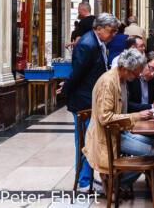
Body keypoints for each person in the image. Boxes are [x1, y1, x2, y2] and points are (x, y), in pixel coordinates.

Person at [83, 49, 154, 196]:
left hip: (120, 131)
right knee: (153, 152)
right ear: (124, 69)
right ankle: (116, 181)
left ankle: (117, 181)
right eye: (135, 74)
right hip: (107, 135)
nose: (137, 77)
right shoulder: (108, 83)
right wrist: (136, 117)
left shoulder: (122, 79)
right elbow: (105, 119)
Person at [58, 13, 119, 192]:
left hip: (91, 99)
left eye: (115, 31)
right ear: (98, 29)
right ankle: (84, 181)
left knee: (91, 140)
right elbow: (78, 72)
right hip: (84, 101)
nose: (113, 35)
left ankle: (89, 177)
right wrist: (66, 89)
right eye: (111, 31)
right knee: (85, 141)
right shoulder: (87, 44)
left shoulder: (97, 42)